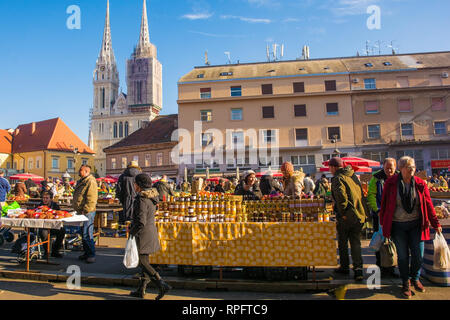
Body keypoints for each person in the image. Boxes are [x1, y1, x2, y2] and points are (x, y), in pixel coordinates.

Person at [380, 156, 442, 299]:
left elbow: (428, 205)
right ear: (401, 169)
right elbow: (384, 205)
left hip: (416, 225)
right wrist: (384, 224)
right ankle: (405, 283)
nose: (412, 170)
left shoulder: (420, 184)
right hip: (398, 226)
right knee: (402, 256)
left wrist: (435, 223)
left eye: (413, 167)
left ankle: (415, 278)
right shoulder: (390, 183)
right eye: (409, 167)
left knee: (418, 255)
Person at [129, 173, 171, 300]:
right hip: (150, 231)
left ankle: (161, 283)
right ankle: (141, 290)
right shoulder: (152, 197)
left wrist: (132, 232)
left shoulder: (142, 199)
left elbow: (141, 221)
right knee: (144, 261)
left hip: (143, 233)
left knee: (142, 262)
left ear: (140, 185)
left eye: (135, 183)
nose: (134, 185)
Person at [329, 157, 368, 281]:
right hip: (359, 214)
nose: (330, 170)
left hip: (347, 215)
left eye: (330, 168)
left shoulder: (337, 178)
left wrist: (343, 213)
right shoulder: (352, 175)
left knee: (343, 242)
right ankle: (358, 270)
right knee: (356, 242)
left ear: (334, 167)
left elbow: (341, 197)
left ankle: (345, 266)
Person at [367, 158, 399, 278]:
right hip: (380, 216)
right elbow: (371, 195)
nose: (389, 170)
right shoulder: (376, 178)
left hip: (395, 216)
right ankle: (380, 266)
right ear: (383, 167)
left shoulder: (398, 177)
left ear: (395, 167)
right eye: (387, 167)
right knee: (380, 241)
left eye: (391, 167)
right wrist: (378, 210)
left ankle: (391, 267)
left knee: (393, 243)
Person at [73, 165, 98, 264]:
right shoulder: (82, 181)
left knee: (87, 233)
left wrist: (86, 210)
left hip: (87, 212)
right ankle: (87, 253)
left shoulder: (90, 181)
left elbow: (91, 198)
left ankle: (91, 254)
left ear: (87, 171)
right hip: (81, 211)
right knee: (83, 233)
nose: (79, 171)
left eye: (81, 170)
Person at [37, 191, 66, 258]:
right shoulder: (39, 206)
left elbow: (59, 214)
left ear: (51, 199)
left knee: (62, 231)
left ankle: (55, 250)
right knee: (44, 233)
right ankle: (46, 252)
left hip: (53, 226)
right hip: (43, 226)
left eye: (47, 198)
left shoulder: (55, 206)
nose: (45, 200)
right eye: (43, 198)